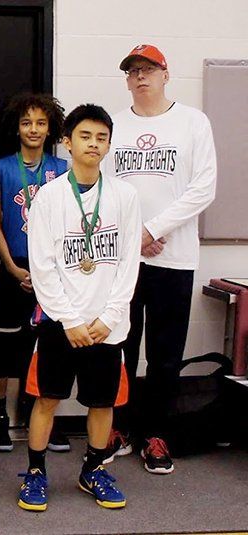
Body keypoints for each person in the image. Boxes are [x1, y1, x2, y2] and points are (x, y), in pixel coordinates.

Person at [18, 103, 141, 512]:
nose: (94, 144)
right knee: (47, 399)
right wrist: (68, 319)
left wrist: (110, 316)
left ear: (109, 145)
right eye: (85, 136)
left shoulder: (125, 196)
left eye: (102, 138)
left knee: (102, 403)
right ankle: (35, 472)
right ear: (67, 142)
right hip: (60, 323)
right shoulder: (49, 197)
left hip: (107, 325)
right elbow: (42, 266)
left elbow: (129, 262)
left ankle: (94, 469)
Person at [103, 44, 217, 475]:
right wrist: (134, 237)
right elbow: (103, 190)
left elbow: (203, 188)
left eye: (148, 69)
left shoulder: (193, 122)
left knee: (165, 354)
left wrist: (153, 230)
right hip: (123, 261)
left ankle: (157, 435)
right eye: (132, 70)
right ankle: (119, 428)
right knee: (121, 348)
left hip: (174, 258)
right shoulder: (114, 125)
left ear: (165, 74)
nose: (140, 76)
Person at [0, 93, 69, 454]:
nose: (33, 129)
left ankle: (38, 413)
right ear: (17, 127)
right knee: (2, 342)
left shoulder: (62, 168)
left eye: (41, 123)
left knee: (47, 342)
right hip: (12, 263)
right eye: (27, 122)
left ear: (50, 128)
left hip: (51, 267)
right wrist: (13, 268)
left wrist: (49, 270)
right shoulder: (1, 168)